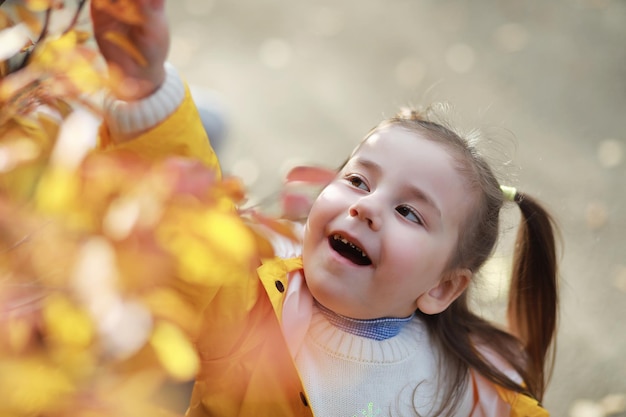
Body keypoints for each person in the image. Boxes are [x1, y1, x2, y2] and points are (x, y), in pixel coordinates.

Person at [93, 1, 559, 416]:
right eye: (357, 181)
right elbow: (191, 229)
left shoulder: (478, 393)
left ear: (442, 287)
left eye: (409, 213)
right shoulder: (251, 306)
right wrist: (146, 89)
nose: (368, 207)